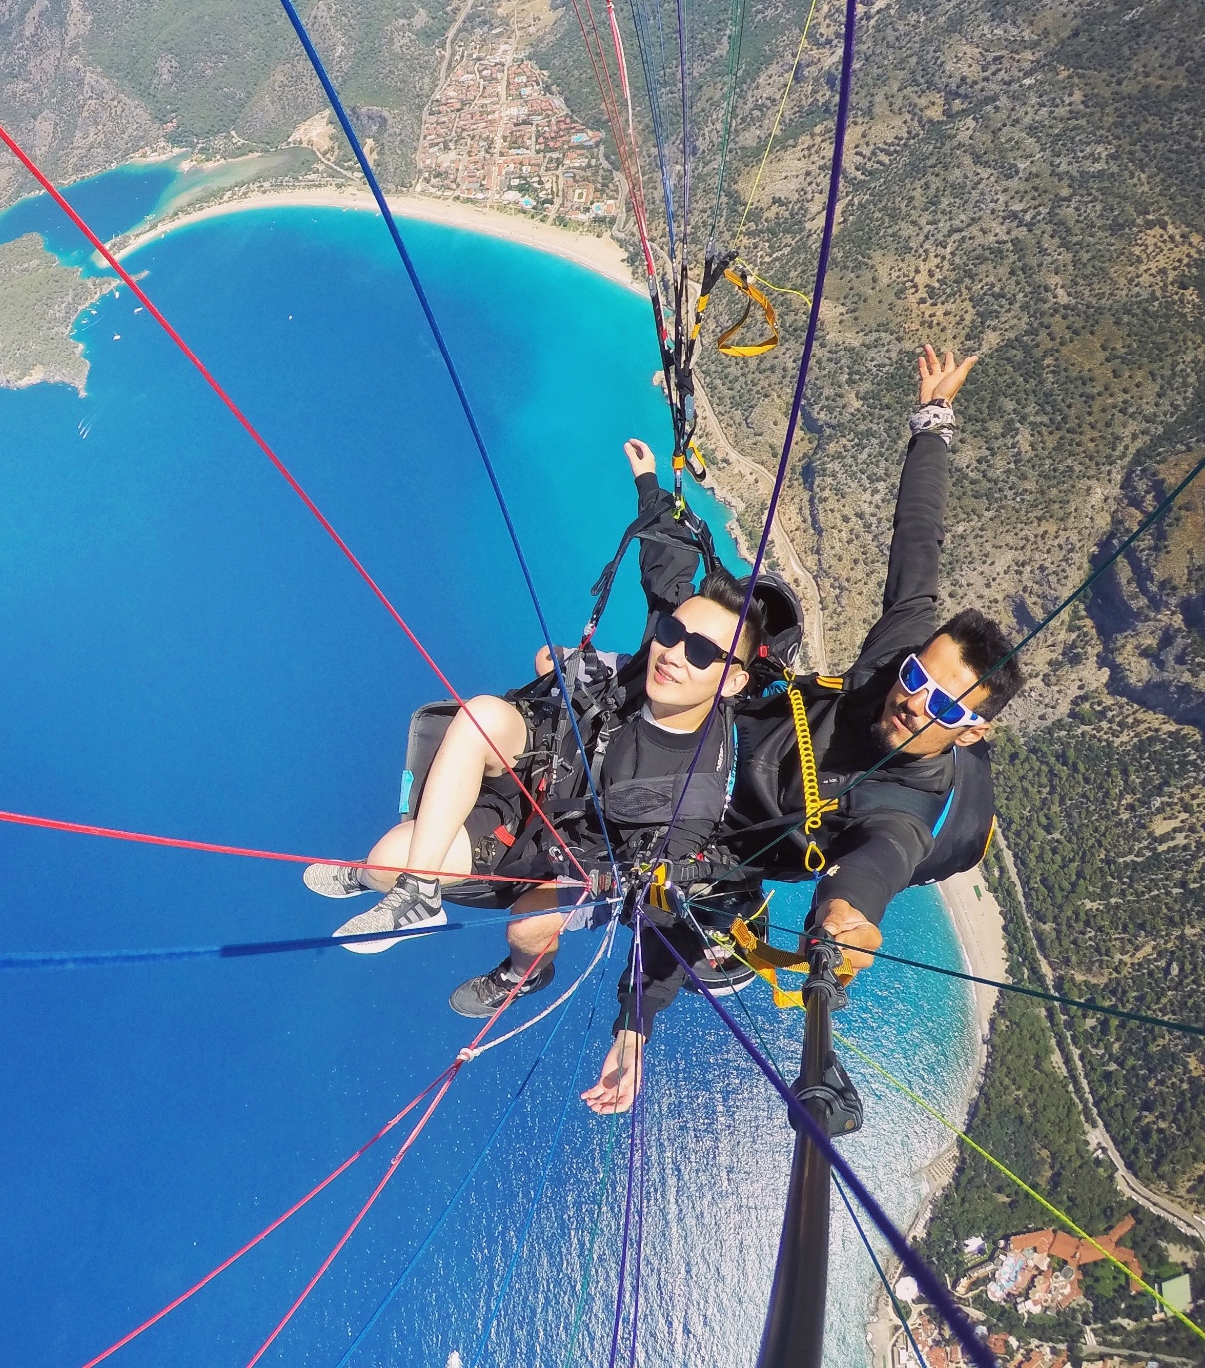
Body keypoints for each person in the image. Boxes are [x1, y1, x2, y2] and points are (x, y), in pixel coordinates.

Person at [303, 438, 767, 1113]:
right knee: (482, 716)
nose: (673, 653)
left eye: (701, 652)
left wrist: (633, 1029)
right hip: (538, 773)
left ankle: (525, 972)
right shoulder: (662, 653)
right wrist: (648, 483)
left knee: (513, 919)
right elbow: (668, 561)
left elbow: (661, 916)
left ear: (732, 682)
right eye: (671, 634)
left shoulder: (691, 798)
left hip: (564, 854)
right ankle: (418, 890)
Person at [614, 345, 1022, 1079]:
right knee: (649, 642)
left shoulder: (900, 817)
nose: (909, 698)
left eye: (937, 702)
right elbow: (918, 542)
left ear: (971, 730)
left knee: (676, 890)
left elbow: (870, 875)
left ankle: (721, 925)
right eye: (915, 676)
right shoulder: (902, 653)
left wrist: (841, 929)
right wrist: (933, 420)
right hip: (742, 728)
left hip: (738, 831)